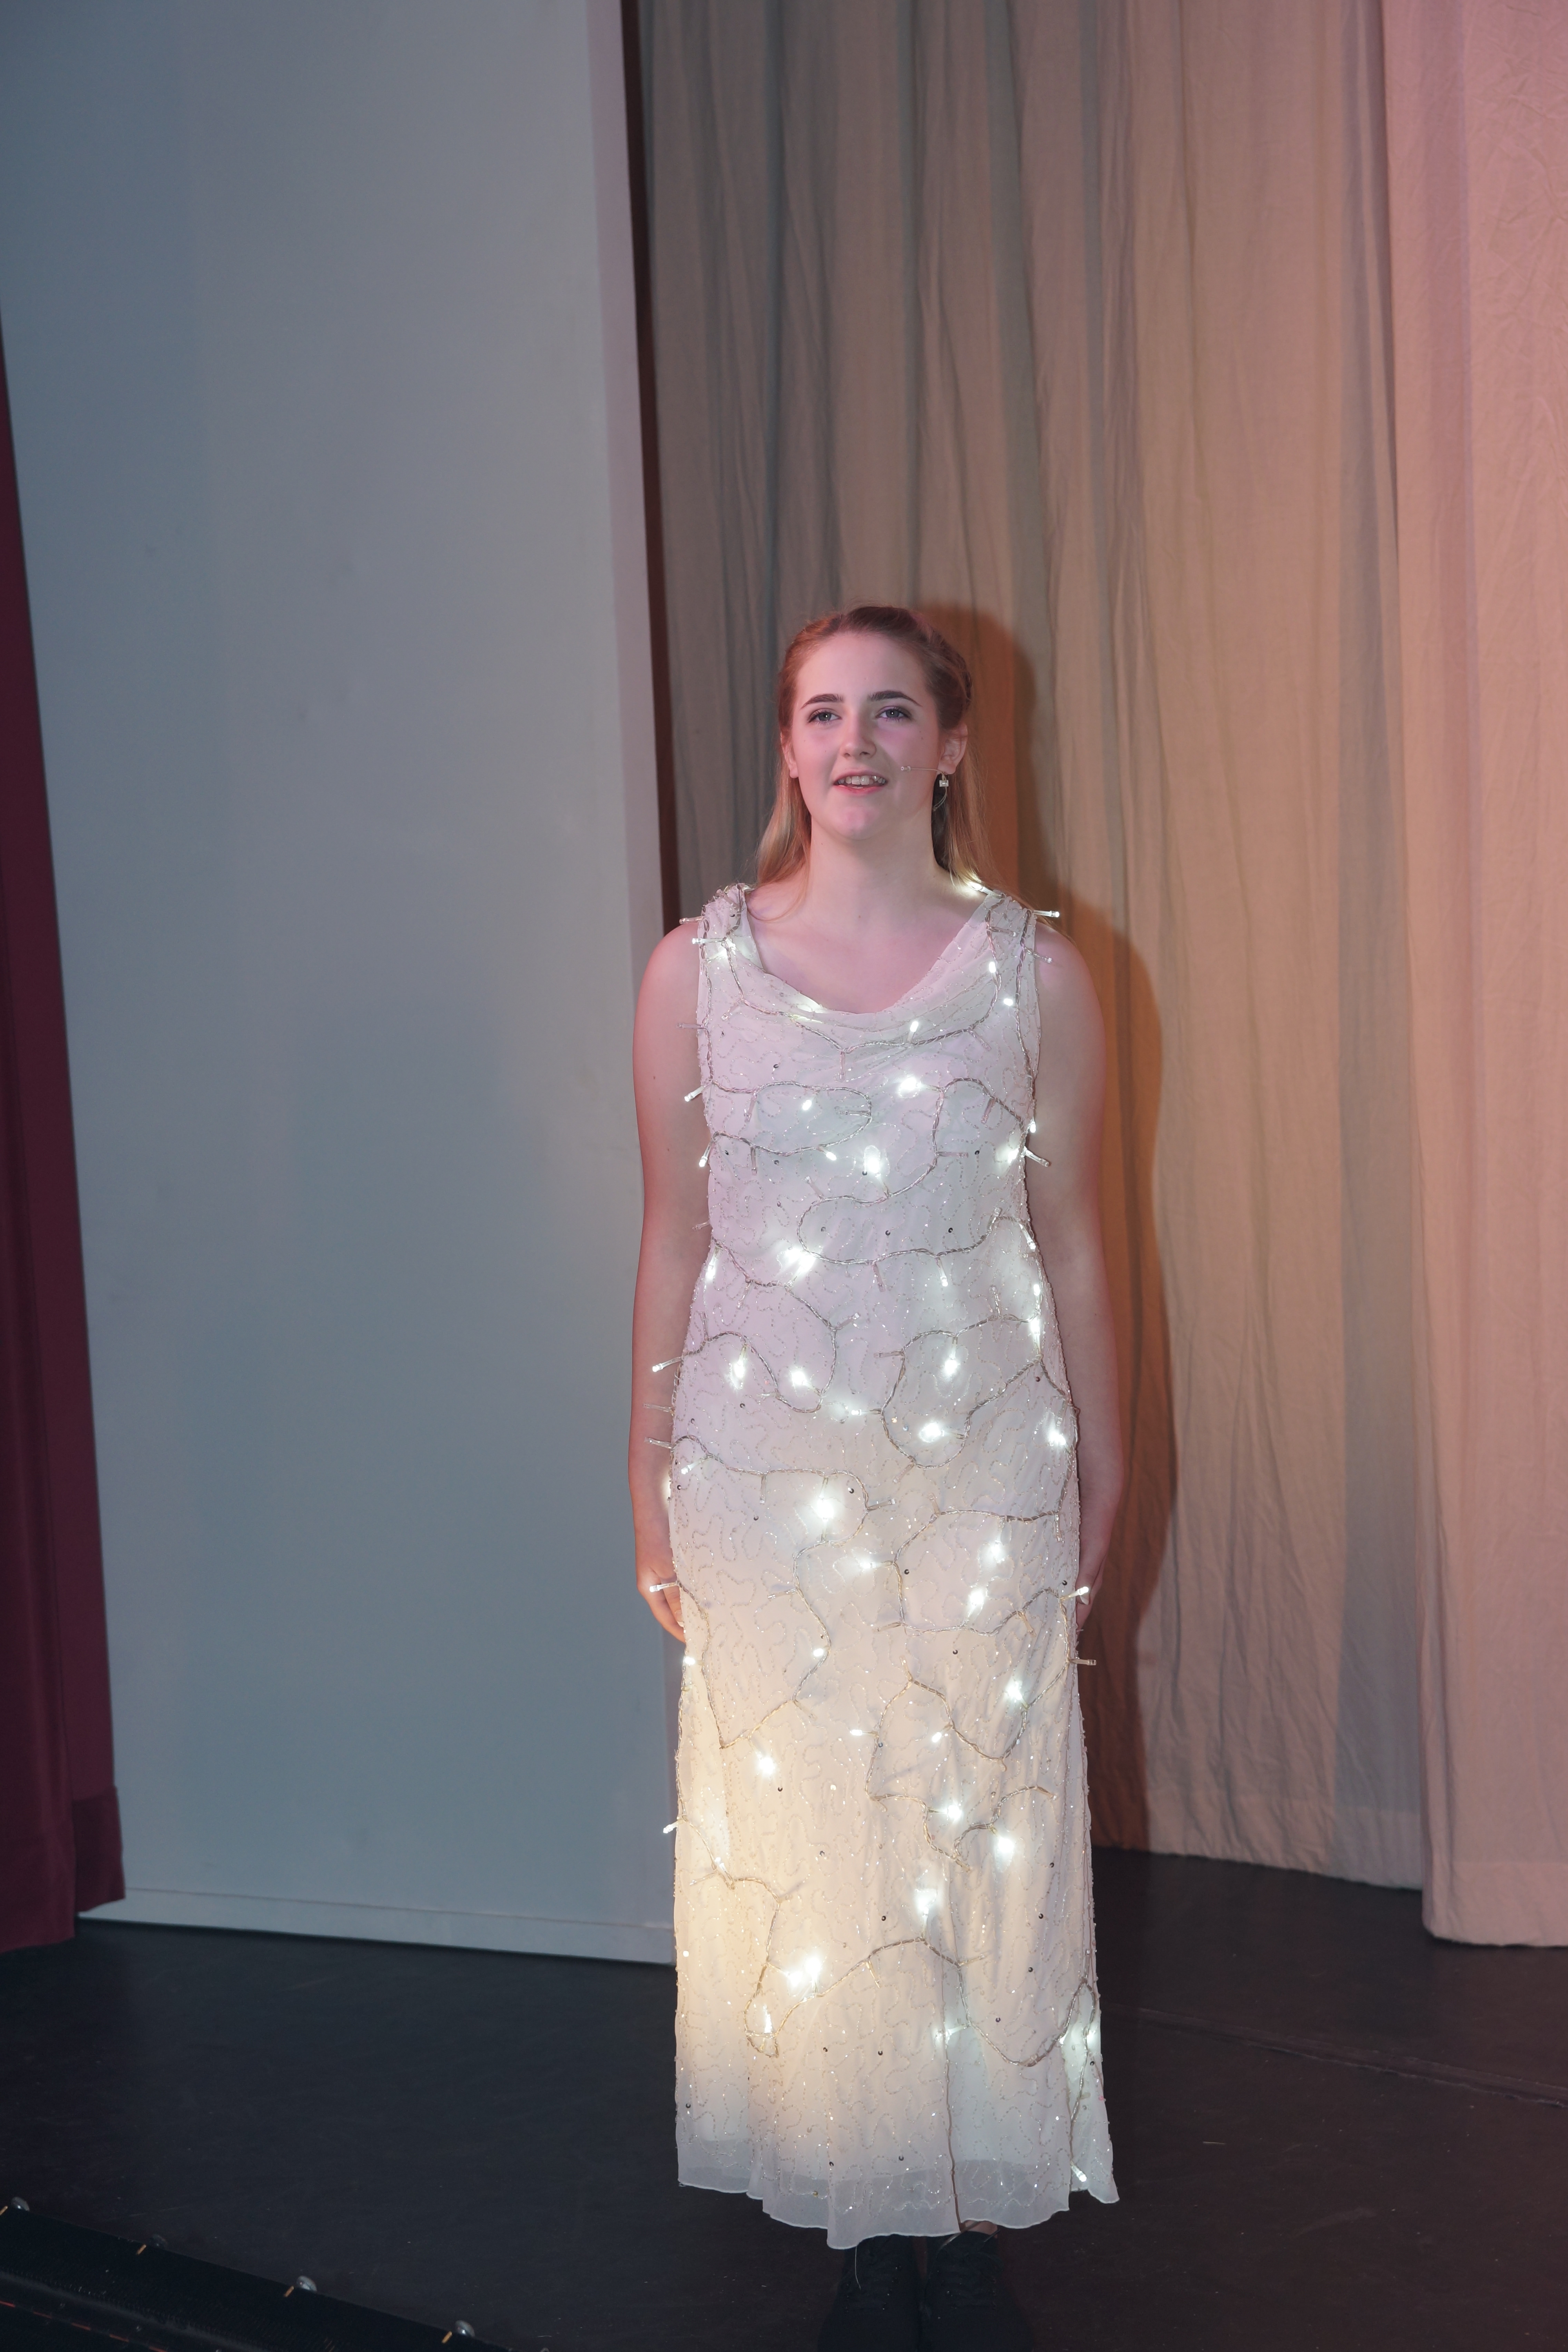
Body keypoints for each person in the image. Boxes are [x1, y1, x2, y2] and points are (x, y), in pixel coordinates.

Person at [630, 606, 1121, 2351]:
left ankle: (969, 2219)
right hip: (764, 1483)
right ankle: (864, 2220)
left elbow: (1074, 1242)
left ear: (951, 745)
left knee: (980, 1840)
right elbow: (674, 1237)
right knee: (825, 1856)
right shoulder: (696, 973)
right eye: (824, 713)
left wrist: (1106, 1466)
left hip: (982, 1472)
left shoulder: (1034, 976)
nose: (856, 743)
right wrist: (644, 1477)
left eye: (892, 710)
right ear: (788, 749)